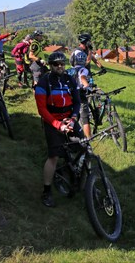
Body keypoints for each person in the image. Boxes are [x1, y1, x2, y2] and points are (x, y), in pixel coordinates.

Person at [34, 51, 81, 207]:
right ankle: (46, 192)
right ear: (50, 65)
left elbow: (77, 102)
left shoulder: (69, 80)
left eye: (62, 64)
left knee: (85, 147)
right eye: (56, 64)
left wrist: (73, 120)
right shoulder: (43, 82)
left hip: (69, 119)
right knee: (53, 157)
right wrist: (57, 125)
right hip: (52, 121)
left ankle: (78, 173)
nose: (60, 66)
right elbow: (42, 109)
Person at [70, 49, 92, 138]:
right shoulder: (84, 70)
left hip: (71, 94)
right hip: (80, 94)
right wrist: (88, 86)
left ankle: (72, 135)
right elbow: (82, 78)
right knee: (85, 117)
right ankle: (88, 139)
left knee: (73, 114)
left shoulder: (70, 70)